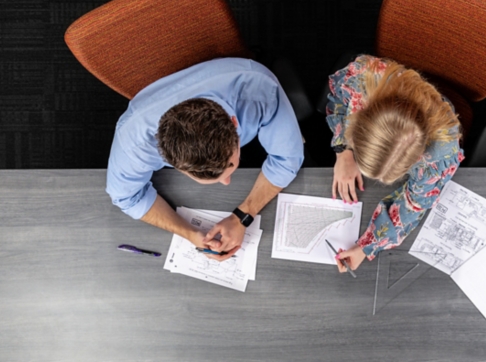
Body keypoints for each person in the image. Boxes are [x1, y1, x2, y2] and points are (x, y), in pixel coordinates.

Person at [107, 57, 304, 260]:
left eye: (230, 167)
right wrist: (190, 234)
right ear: (168, 161)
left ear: (234, 123)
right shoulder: (133, 142)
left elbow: (288, 159)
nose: (226, 183)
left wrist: (244, 215)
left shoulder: (259, 90)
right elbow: (126, 198)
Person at [326, 54, 464, 272]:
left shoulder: (442, 151)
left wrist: (366, 247)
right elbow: (338, 101)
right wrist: (344, 151)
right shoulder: (364, 77)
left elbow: (414, 203)